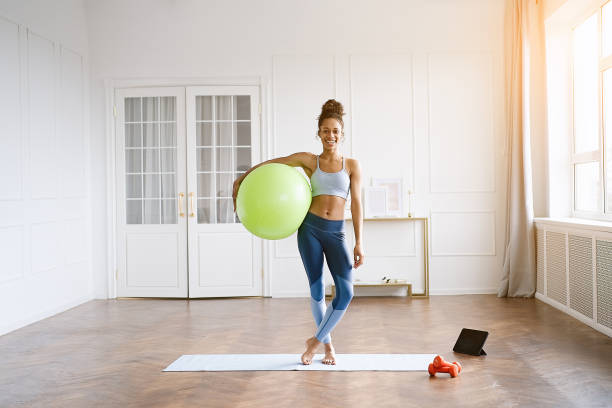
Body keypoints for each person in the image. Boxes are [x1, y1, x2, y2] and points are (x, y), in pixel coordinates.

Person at [233, 99, 363, 365]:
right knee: (317, 292)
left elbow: (358, 204)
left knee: (346, 292)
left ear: (342, 134)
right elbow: (275, 163)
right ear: (319, 133)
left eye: (335, 130)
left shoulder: (352, 165)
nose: (331, 135)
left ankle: (314, 342)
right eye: (325, 130)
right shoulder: (309, 161)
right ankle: (327, 348)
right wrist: (244, 176)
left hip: (336, 233)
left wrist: (360, 242)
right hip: (310, 231)